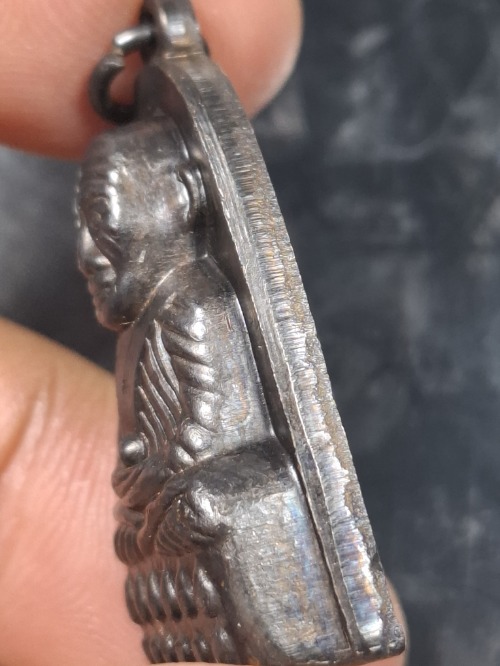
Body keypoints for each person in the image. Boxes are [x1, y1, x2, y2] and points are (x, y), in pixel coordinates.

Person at [0, 1, 405, 664]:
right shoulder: (146, 327)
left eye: (104, 218)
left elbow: (213, 443)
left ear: (183, 197)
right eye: (84, 230)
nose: (89, 253)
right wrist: (140, 510)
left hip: (223, 519)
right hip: (183, 555)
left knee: (211, 509)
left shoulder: (201, 307)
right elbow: (149, 455)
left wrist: (168, 501)